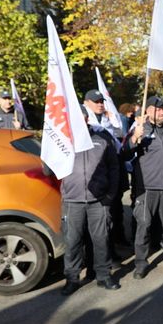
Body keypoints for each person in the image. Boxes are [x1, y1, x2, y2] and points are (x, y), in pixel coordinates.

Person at [121, 96, 163, 278]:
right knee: (144, 226)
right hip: (146, 189)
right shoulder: (140, 130)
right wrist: (135, 137)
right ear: (149, 111)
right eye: (158, 109)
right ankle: (141, 264)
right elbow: (124, 153)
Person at [59, 106, 120, 295]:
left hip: (99, 200)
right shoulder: (63, 140)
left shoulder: (102, 139)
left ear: (87, 119)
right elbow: (48, 169)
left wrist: (110, 194)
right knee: (73, 241)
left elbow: (114, 168)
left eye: (82, 117)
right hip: (72, 200)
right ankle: (72, 278)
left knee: (101, 239)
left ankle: (103, 276)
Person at [83, 89, 129, 249]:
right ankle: (105, 252)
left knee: (116, 212)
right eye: (96, 102)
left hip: (114, 173)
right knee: (102, 220)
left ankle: (118, 240)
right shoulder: (86, 126)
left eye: (102, 101)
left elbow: (120, 146)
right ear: (86, 103)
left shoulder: (110, 120)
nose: (100, 104)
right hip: (96, 179)